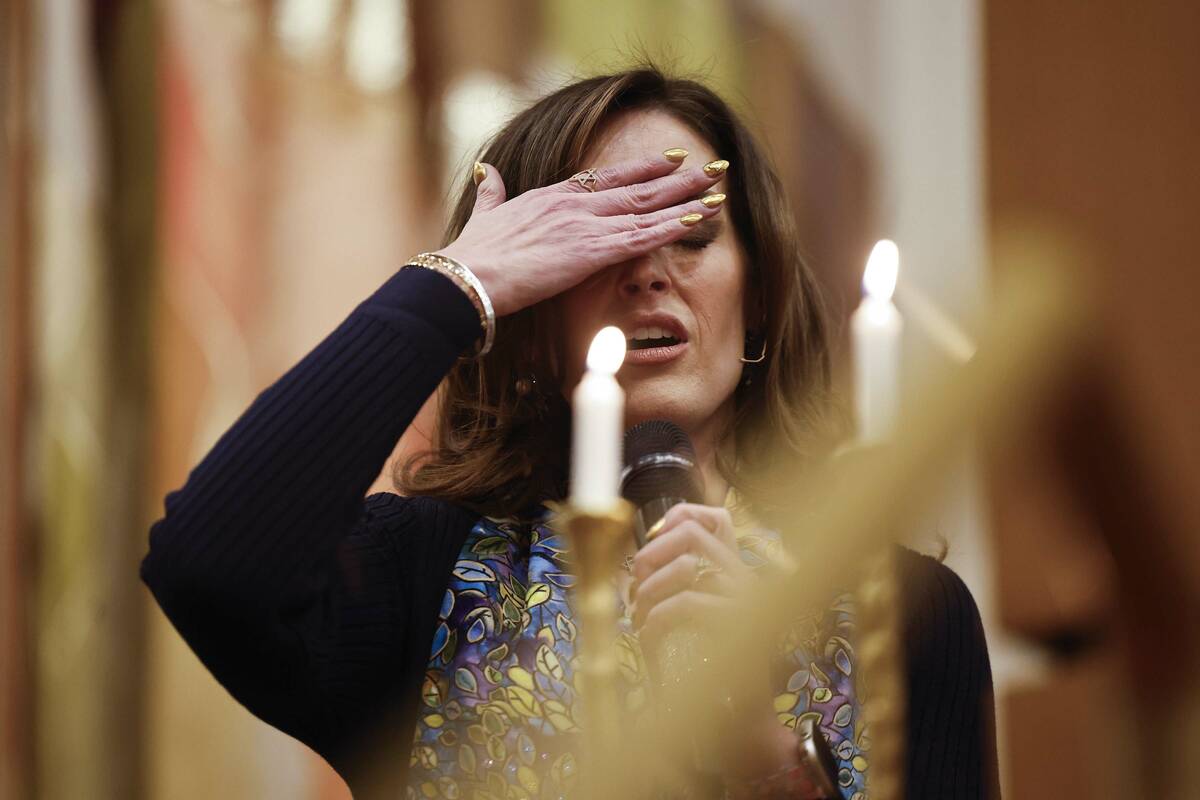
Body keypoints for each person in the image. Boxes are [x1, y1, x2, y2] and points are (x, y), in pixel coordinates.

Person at [142, 67, 997, 799]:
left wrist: (771, 764)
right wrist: (456, 286)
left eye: (689, 232)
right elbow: (209, 564)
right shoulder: (429, 577)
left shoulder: (905, 616)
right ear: (531, 323)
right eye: (595, 242)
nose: (649, 270)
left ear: (761, 299)